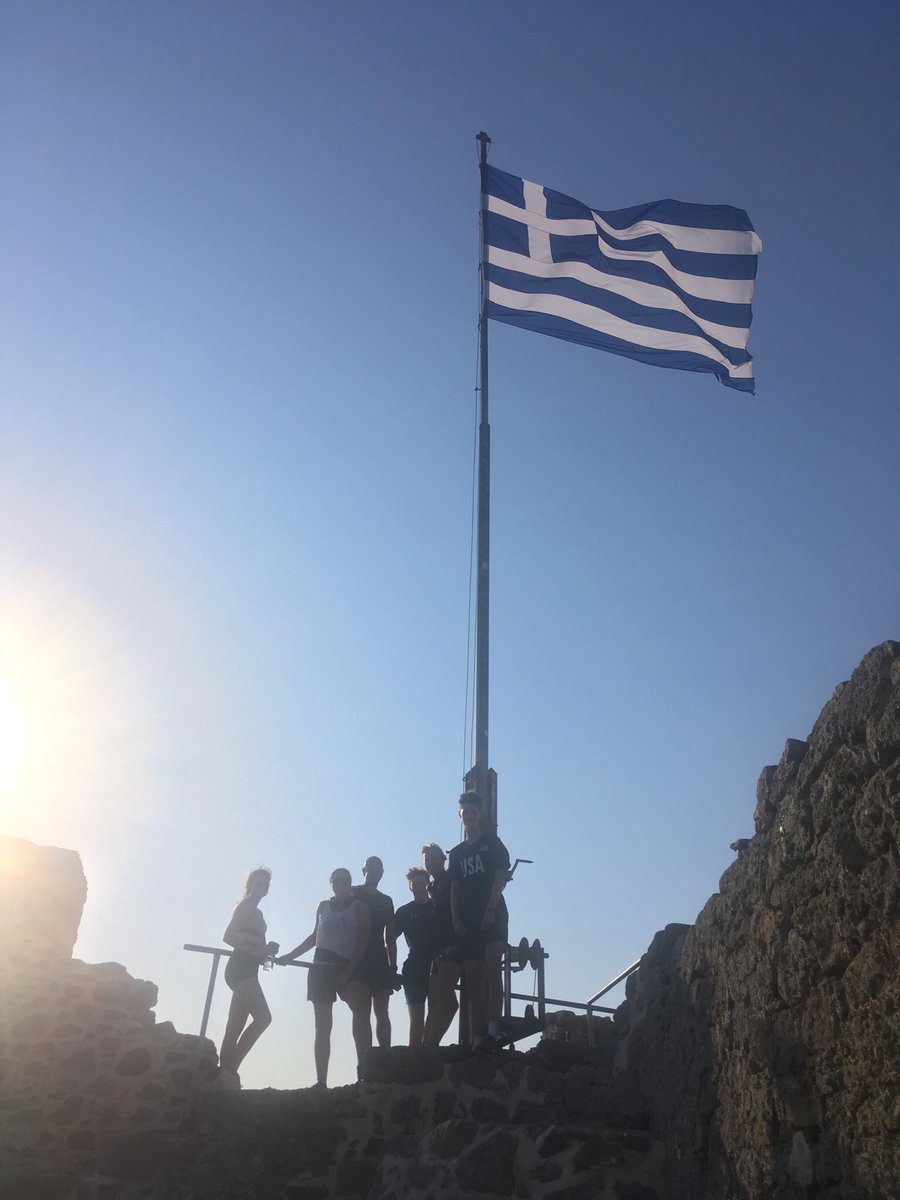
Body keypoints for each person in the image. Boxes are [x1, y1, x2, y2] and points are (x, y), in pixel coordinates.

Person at [277, 868, 370, 1087]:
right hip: (320, 966)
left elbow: (362, 942)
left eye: (345, 881)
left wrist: (347, 972)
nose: (340, 885)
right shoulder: (322, 906)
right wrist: (290, 956)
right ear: (331, 884)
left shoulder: (360, 907)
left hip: (345, 966)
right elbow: (314, 937)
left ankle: (365, 1072)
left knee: (361, 1009)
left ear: (350, 883)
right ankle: (321, 1081)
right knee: (322, 1026)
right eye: (336, 881)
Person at [447, 790, 510, 1053]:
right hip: (468, 918)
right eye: (466, 812)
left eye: (474, 812)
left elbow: (500, 878)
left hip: (492, 914)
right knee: (473, 980)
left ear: (479, 814)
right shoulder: (458, 853)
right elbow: (454, 888)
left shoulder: (493, 844)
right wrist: (455, 918)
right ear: (460, 814)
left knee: (493, 970)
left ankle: (494, 1030)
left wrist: (491, 908)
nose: (470, 816)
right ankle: (477, 1036)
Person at [219, 867, 279, 1089]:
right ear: (250, 884)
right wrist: (257, 952)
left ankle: (223, 1077)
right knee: (263, 1018)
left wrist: (268, 950)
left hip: (249, 970)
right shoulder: (244, 906)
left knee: (234, 1026)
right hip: (240, 967)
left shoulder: (259, 913)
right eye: (258, 883)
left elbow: (259, 945)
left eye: (265, 884)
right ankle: (229, 1070)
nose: (262, 887)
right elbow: (228, 936)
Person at [351, 856, 397, 1049]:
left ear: (382, 873)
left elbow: (390, 937)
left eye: (378, 869)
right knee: (361, 1012)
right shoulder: (353, 893)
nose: (375, 872)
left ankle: (384, 1056)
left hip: (379, 957)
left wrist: (392, 966)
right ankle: (365, 1062)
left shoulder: (386, 901)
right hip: (357, 958)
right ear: (364, 871)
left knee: (382, 1011)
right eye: (371, 869)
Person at [393, 867, 441, 1047]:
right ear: (410, 886)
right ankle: (414, 1055)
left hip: (437, 964)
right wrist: (391, 969)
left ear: (428, 885)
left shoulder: (438, 907)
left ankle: (428, 1047)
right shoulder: (404, 912)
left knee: (441, 1008)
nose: (420, 887)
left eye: (423, 883)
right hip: (414, 965)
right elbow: (389, 940)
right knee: (417, 1018)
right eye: (416, 884)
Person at [421, 843, 459, 1046]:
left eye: (434, 859)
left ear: (443, 860)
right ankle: (428, 1044)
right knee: (438, 997)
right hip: (439, 944)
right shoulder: (432, 886)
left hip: (454, 941)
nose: (430, 864)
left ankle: (428, 1045)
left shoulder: (451, 879)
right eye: (427, 860)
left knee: (442, 994)